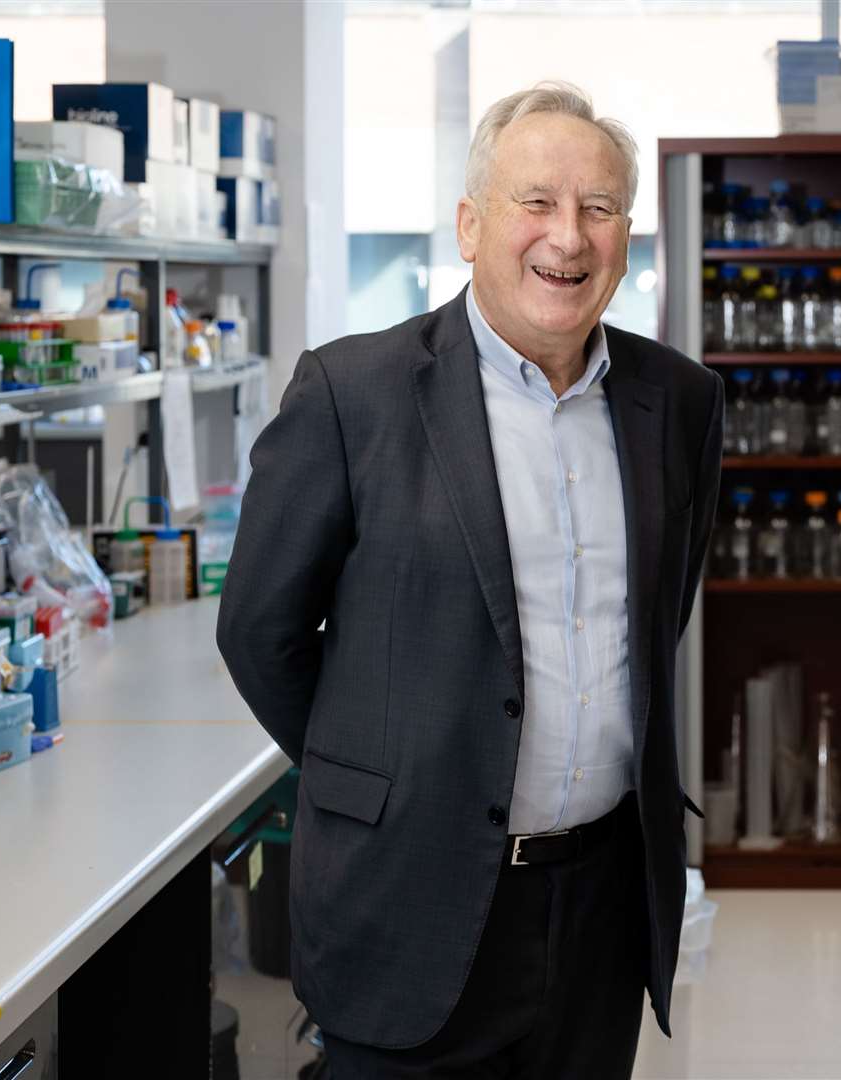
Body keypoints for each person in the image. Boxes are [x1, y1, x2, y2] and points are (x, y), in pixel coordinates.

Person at [216, 81, 723, 1077]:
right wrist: (382, 778)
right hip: (410, 893)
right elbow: (259, 634)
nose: (567, 238)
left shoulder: (681, 402)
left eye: (600, 209)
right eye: (537, 201)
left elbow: (655, 624)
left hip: (601, 903)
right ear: (470, 224)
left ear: (628, 234)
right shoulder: (350, 393)